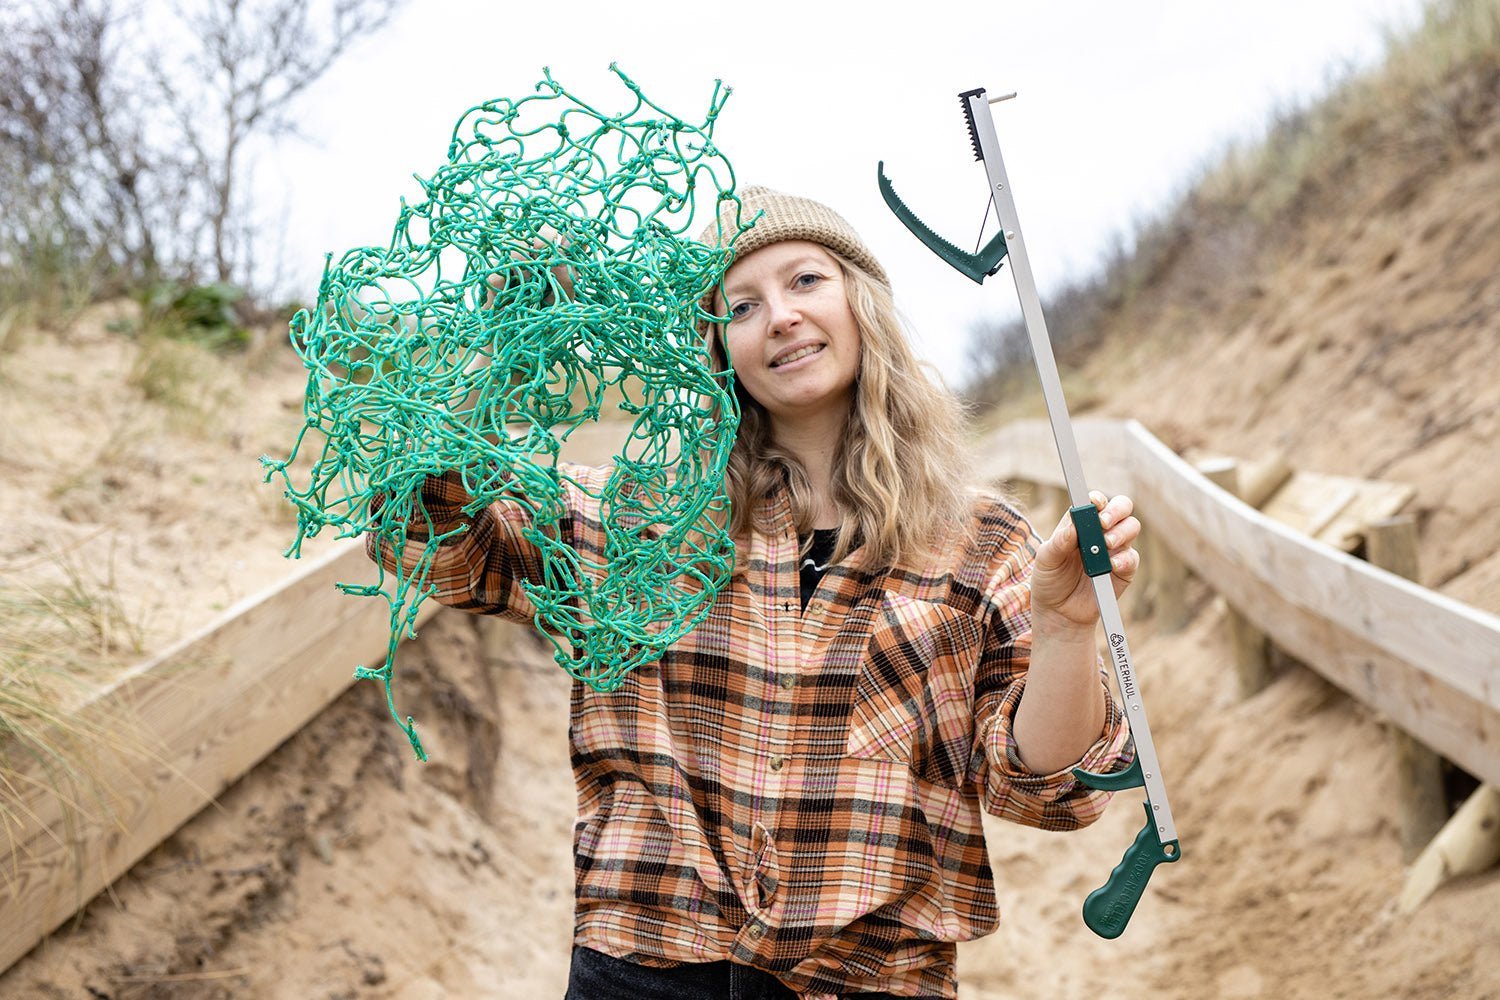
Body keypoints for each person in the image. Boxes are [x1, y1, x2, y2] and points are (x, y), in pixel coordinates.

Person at [369, 186, 1139, 1000]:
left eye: (806, 281)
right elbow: (423, 542)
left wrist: (1063, 631)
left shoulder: (984, 542)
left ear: (862, 302)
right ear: (716, 346)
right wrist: (509, 348)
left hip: (867, 978)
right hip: (644, 962)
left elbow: (1053, 787)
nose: (780, 316)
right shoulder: (641, 517)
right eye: (742, 304)